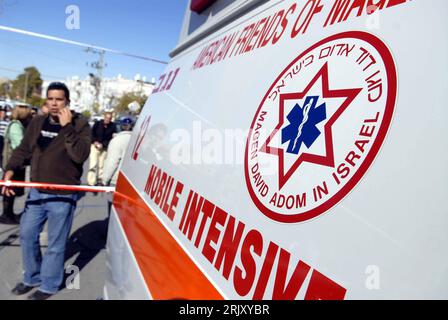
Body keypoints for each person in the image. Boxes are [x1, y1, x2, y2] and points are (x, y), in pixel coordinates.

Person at [2, 82, 91, 300]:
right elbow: (24, 148)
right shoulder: (37, 121)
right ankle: (32, 277)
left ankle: (49, 285)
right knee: (27, 234)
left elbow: (80, 156)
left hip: (62, 195)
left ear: (67, 102)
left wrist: (67, 127)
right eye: (50, 98)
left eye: (59, 99)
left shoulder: (80, 124)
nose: (53, 103)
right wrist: (11, 170)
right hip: (37, 191)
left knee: (55, 244)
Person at [0, 105, 32, 224]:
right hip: (12, 161)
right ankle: (6, 214)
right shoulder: (15, 126)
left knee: (12, 189)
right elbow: (19, 144)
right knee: (9, 189)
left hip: (14, 161)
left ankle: (10, 213)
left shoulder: (18, 125)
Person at [87, 111, 117, 186]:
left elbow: (112, 139)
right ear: (104, 117)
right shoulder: (97, 124)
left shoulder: (113, 126)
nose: (108, 119)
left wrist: (103, 144)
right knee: (93, 164)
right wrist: (95, 142)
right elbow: (91, 133)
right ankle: (91, 182)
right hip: (94, 146)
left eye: (109, 118)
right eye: (106, 118)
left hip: (104, 148)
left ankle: (100, 180)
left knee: (102, 165)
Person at [102, 117, 134, 186]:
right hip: (131, 179)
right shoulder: (137, 141)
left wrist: (105, 180)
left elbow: (113, 161)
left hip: (117, 179)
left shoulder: (117, 140)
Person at [0, 106, 10, 172]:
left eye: (4, 113)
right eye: (1, 112)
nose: (3, 114)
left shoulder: (8, 122)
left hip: (3, 140)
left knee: (2, 153)